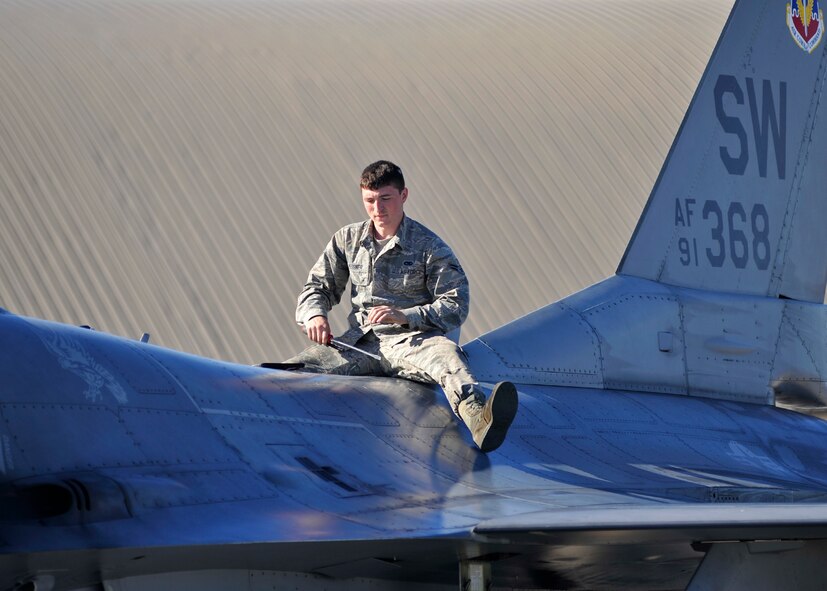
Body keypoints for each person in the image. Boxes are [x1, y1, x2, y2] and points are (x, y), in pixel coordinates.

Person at [286, 160, 517, 452]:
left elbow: (456, 303)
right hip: (360, 343)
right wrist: (315, 315)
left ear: (403, 195)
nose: (377, 209)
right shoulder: (347, 240)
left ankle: (480, 421)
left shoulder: (429, 247)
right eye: (369, 200)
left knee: (448, 359)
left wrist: (406, 316)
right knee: (295, 371)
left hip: (412, 340)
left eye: (386, 199)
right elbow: (318, 286)